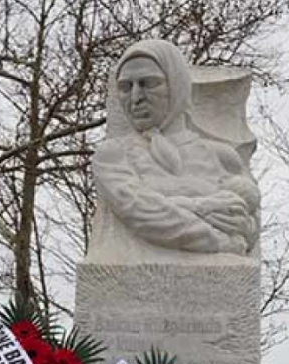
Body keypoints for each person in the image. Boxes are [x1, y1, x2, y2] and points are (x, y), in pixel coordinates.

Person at [90, 39, 260, 260]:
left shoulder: (223, 157)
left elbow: (245, 225)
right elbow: (143, 211)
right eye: (125, 87)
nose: (136, 97)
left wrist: (176, 204)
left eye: (148, 83)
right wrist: (216, 234)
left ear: (177, 85)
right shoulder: (113, 154)